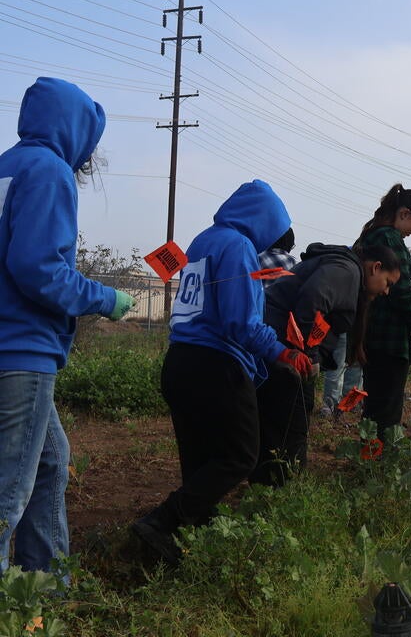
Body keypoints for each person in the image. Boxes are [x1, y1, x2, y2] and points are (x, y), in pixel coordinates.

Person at [132, 180, 312, 564]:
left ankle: (185, 545)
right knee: (239, 455)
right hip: (217, 365)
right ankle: (161, 523)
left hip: (180, 361)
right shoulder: (239, 246)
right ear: (263, 220)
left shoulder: (203, 241)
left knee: (200, 459)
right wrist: (281, 352)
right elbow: (240, 324)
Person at [0, 77, 135, 574]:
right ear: (76, 130)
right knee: (8, 494)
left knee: (52, 462)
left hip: (6, 347)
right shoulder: (50, 171)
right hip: (23, 352)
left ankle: (41, 591)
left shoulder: (7, 168)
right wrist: (105, 298)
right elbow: (38, 268)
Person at [251, 243, 401, 485]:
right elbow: (312, 300)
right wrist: (308, 354)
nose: (386, 291)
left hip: (278, 344)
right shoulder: (347, 271)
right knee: (292, 421)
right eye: (388, 283)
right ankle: (281, 489)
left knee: (281, 420)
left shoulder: (346, 269)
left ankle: (268, 485)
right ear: (376, 268)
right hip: (283, 348)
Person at [354, 184, 411, 437]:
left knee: (375, 405)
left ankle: (370, 455)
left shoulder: (371, 235)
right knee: (387, 407)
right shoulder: (389, 238)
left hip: (371, 332)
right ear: (403, 213)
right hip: (388, 336)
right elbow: (402, 292)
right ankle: (381, 460)